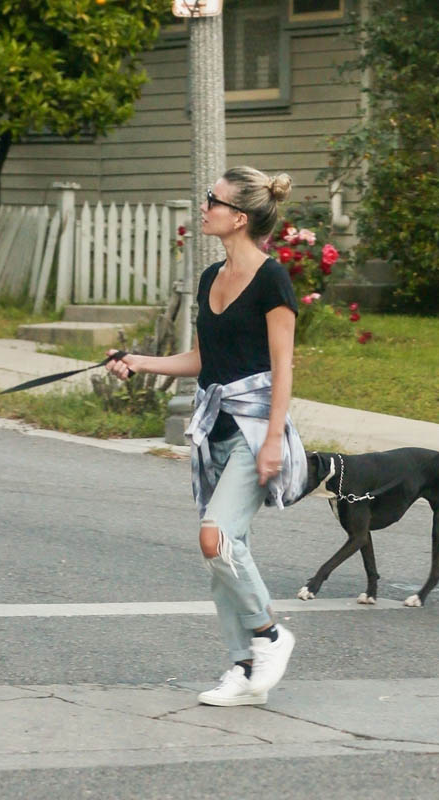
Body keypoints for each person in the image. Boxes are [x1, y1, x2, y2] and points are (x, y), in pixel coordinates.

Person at [107, 166, 305, 703]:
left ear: (238, 218)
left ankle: (269, 634)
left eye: (212, 199)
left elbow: (284, 369)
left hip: (253, 427)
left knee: (215, 538)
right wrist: (137, 361)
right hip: (212, 427)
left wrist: (271, 443)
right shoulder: (208, 278)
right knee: (223, 551)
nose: (204, 205)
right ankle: (244, 669)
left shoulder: (272, 280)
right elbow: (203, 359)